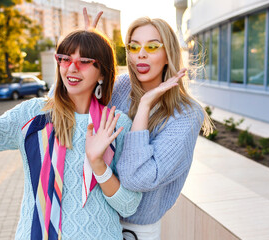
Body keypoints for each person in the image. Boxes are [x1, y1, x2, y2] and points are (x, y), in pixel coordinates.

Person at [0, 31, 142, 239]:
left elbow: (129, 205)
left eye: (84, 62)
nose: (71, 68)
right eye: (64, 59)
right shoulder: (33, 114)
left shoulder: (117, 124)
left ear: (102, 72)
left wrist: (98, 164)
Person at [83, 9, 213, 240]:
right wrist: (84, 51)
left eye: (152, 47)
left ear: (168, 53)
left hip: (133, 231)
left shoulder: (186, 114)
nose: (140, 54)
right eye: (133, 46)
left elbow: (137, 179)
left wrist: (143, 107)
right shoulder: (120, 86)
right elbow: (64, 107)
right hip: (92, 218)